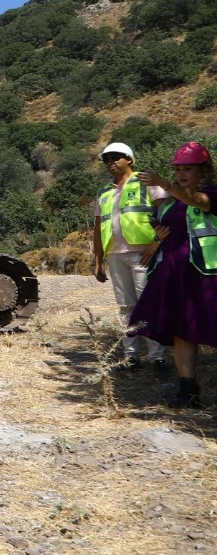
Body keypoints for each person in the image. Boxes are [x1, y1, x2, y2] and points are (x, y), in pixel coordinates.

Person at [128, 142, 217, 408]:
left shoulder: (211, 193)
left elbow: (196, 201)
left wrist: (165, 183)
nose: (181, 174)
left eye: (187, 169)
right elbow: (165, 232)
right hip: (176, 276)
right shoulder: (170, 204)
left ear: (204, 171)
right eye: (178, 170)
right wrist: (155, 241)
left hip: (206, 276)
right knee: (182, 332)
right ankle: (188, 391)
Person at [92, 141, 170, 370]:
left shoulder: (146, 182)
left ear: (129, 159)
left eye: (115, 157)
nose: (110, 162)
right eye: (106, 159)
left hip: (145, 254)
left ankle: (157, 357)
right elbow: (99, 227)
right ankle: (131, 356)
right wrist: (98, 261)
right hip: (116, 255)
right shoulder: (104, 192)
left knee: (150, 303)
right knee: (126, 306)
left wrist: (156, 244)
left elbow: (167, 214)